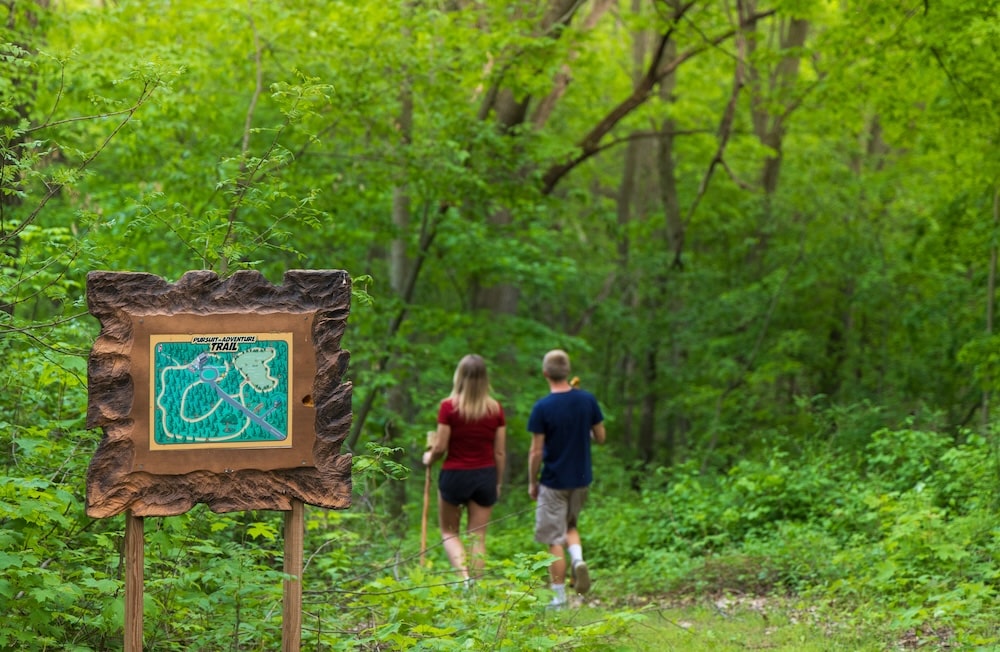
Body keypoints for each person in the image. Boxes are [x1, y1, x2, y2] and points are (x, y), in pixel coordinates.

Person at [527, 349, 606, 608]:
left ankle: (559, 599)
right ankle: (578, 560)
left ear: (545, 373)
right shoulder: (587, 400)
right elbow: (601, 437)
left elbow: (536, 450)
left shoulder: (542, 407)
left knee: (554, 538)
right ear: (569, 372)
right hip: (582, 478)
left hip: (554, 480)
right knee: (570, 526)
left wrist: (532, 480)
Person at [423, 354, 507, 585]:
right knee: (477, 535)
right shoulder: (495, 409)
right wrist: (498, 482)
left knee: (449, 532)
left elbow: (440, 446)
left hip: (455, 476)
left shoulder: (448, 407)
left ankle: (464, 579)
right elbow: (499, 452)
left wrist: (429, 458)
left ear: (459, 376)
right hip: (485, 476)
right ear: (485, 379)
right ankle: (476, 588)